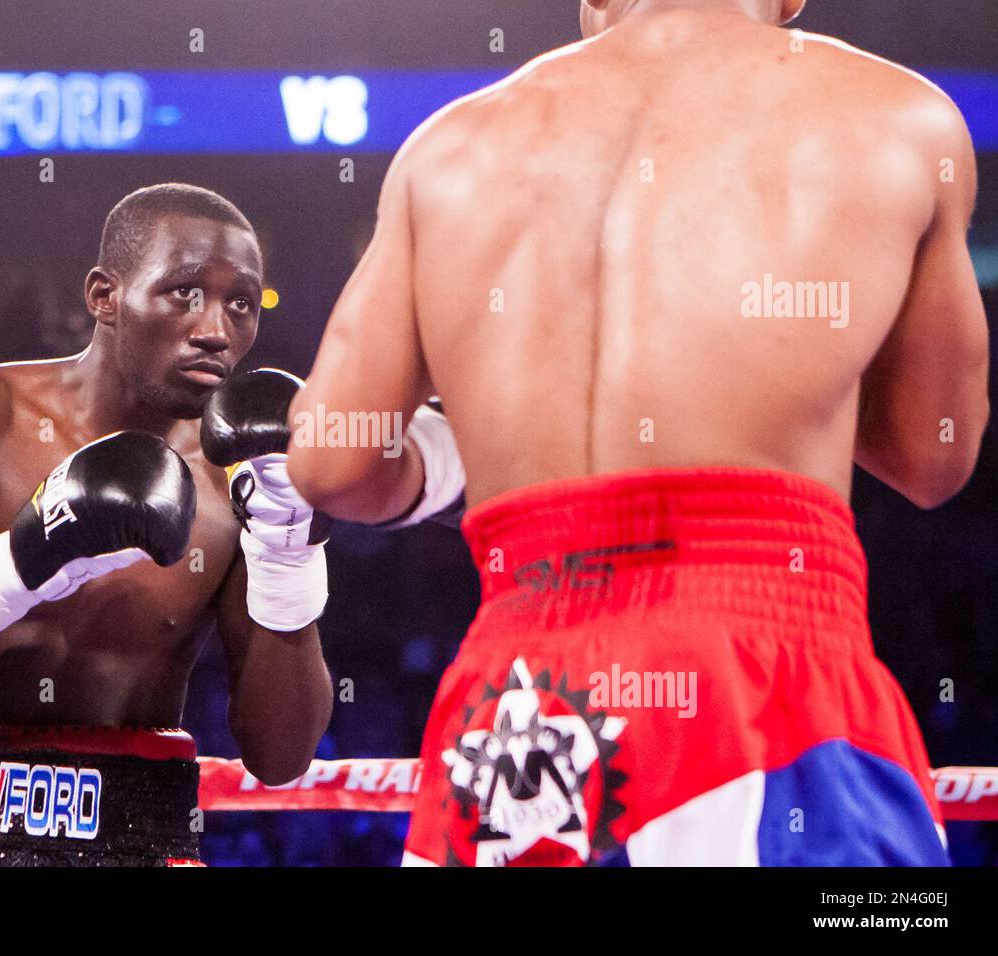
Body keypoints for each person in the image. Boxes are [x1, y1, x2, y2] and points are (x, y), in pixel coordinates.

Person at [287, 0, 989, 865]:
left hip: (517, 716)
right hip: (760, 691)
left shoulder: (447, 149)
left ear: (592, 3)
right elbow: (933, 454)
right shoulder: (898, 116)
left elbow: (332, 462)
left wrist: (460, 445)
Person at [0, 184, 333, 866]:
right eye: (184, 293)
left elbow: (281, 757)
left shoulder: (242, 479)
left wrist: (288, 551)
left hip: (135, 839)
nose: (215, 329)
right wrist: (24, 562)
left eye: (240, 303)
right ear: (104, 296)